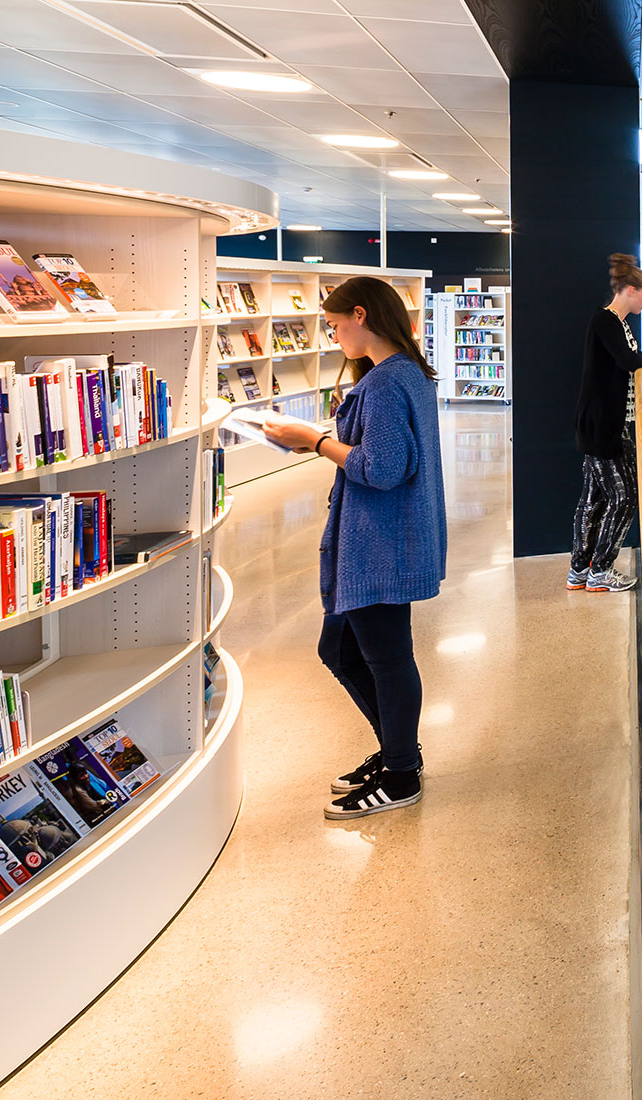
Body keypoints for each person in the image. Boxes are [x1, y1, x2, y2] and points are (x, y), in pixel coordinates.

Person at [265, 276, 447, 820]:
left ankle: (400, 773)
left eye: (336, 324)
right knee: (341, 650)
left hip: (381, 547)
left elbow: (383, 468)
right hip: (382, 542)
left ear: (361, 315)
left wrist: (315, 442)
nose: (335, 334)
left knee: (386, 659)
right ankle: (399, 752)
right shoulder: (403, 375)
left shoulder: (388, 383)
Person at [568, 253, 642, 593]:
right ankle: (600, 570)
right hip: (603, 426)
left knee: (594, 499)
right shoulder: (606, 321)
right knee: (623, 498)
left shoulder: (618, 324)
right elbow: (627, 360)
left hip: (606, 423)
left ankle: (581, 570)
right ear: (629, 289)